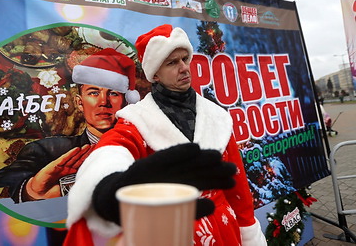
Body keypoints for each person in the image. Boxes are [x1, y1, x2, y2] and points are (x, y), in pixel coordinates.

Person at [65, 25, 267, 246]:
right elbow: (113, 148)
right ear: (155, 75)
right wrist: (108, 188)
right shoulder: (137, 120)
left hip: (225, 231)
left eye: (184, 59)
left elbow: (239, 189)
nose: (183, 68)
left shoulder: (217, 116)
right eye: (172, 62)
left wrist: (249, 232)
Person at [0, 48, 139, 203]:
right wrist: (32, 191)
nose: (103, 102)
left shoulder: (145, 146)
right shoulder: (45, 150)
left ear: (126, 101)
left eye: (113, 93)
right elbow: (7, 184)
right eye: (93, 93)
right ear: (79, 102)